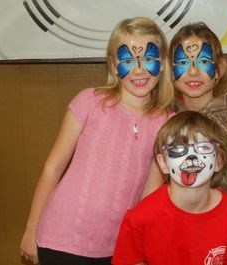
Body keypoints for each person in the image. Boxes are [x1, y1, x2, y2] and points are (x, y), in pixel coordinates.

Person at [19, 17, 175, 265]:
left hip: (114, 246)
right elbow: (53, 168)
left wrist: (140, 249)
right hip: (61, 237)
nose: (139, 70)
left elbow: (150, 194)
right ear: (113, 65)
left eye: (148, 58)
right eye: (127, 60)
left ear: (163, 62)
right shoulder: (89, 102)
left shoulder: (168, 123)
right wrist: (31, 228)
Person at [168, 22, 227, 265]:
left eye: (203, 62)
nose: (192, 72)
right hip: (170, 244)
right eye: (182, 63)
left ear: (219, 68)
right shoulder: (165, 120)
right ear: (170, 69)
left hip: (216, 249)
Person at [112, 111, 227, 265]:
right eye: (178, 149)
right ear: (163, 163)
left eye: (203, 147)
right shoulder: (140, 218)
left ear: (219, 160)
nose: (191, 157)